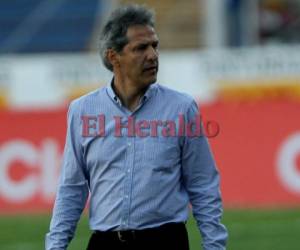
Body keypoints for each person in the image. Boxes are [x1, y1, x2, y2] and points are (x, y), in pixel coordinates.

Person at [46, 4, 228, 250]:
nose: (153, 55)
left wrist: (215, 246)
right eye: (141, 48)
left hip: (165, 242)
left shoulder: (182, 108)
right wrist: (56, 246)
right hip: (105, 243)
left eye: (155, 46)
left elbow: (203, 184)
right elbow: (72, 188)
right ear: (114, 56)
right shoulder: (82, 111)